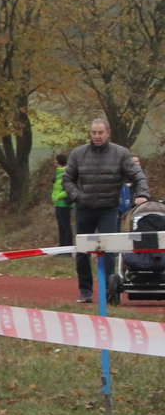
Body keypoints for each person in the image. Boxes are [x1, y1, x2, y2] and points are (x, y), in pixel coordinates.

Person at [66, 118, 150, 303]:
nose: (97, 136)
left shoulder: (120, 153)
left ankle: (110, 291)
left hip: (109, 209)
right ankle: (85, 292)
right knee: (83, 252)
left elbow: (138, 175)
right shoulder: (78, 153)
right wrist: (78, 196)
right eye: (94, 133)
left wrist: (142, 194)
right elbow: (67, 179)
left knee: (110, 250)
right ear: (90, 134)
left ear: (108, 134)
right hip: (84, 209)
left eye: (100, 133)